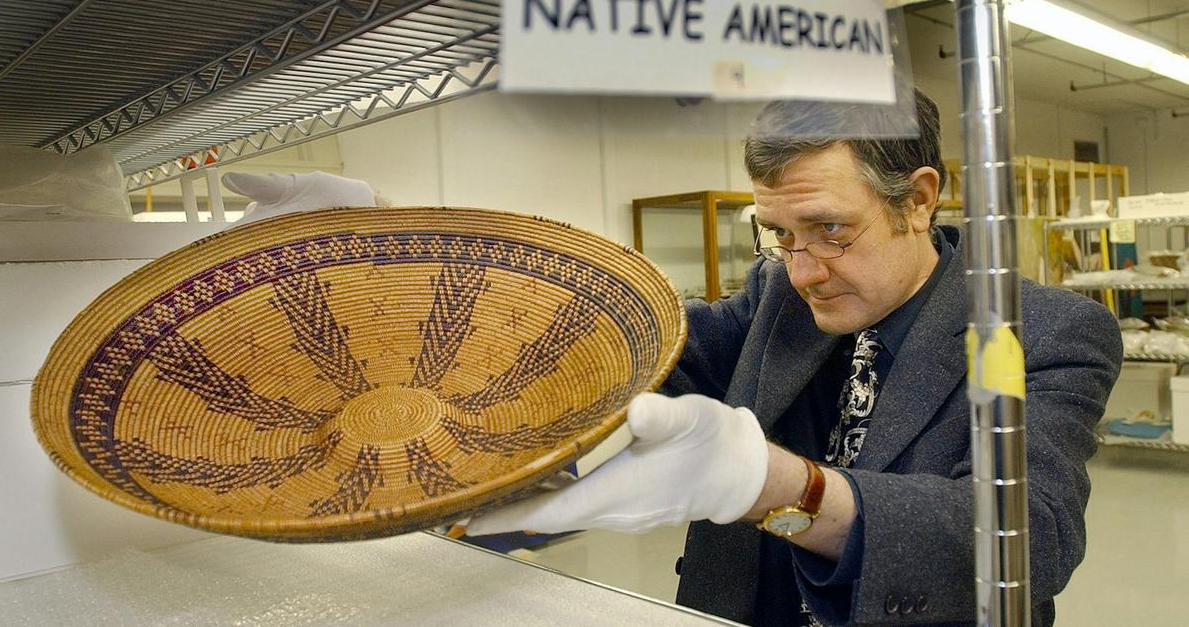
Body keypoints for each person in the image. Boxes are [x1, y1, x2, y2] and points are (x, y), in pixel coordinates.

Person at [466, 89, 1123, 626]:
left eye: (830, 230)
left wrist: (777, 487)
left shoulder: (1039, 331)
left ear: (919, 200)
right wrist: (483, 344)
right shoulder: (779, 293)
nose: (804, 271)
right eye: (780, 233)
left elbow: (1029, 537)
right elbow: (660, 353)